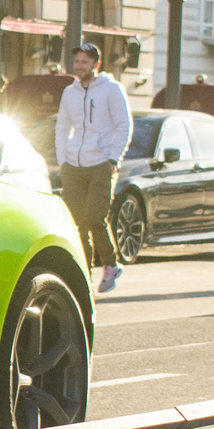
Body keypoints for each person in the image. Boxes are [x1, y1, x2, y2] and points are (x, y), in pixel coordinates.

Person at [54, 42, 129, 294]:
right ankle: (83, 274)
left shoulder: (111, 90)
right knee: (77, 223)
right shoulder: (69, 92)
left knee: (96, 218)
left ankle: (110, 264)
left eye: (84, 62)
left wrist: (113, 159)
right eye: (76, 62)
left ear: (96, 65)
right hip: (74, 164)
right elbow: (62, 126)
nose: (79, 67)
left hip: (100, 163)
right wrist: (63, 158)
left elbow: (123, 126)